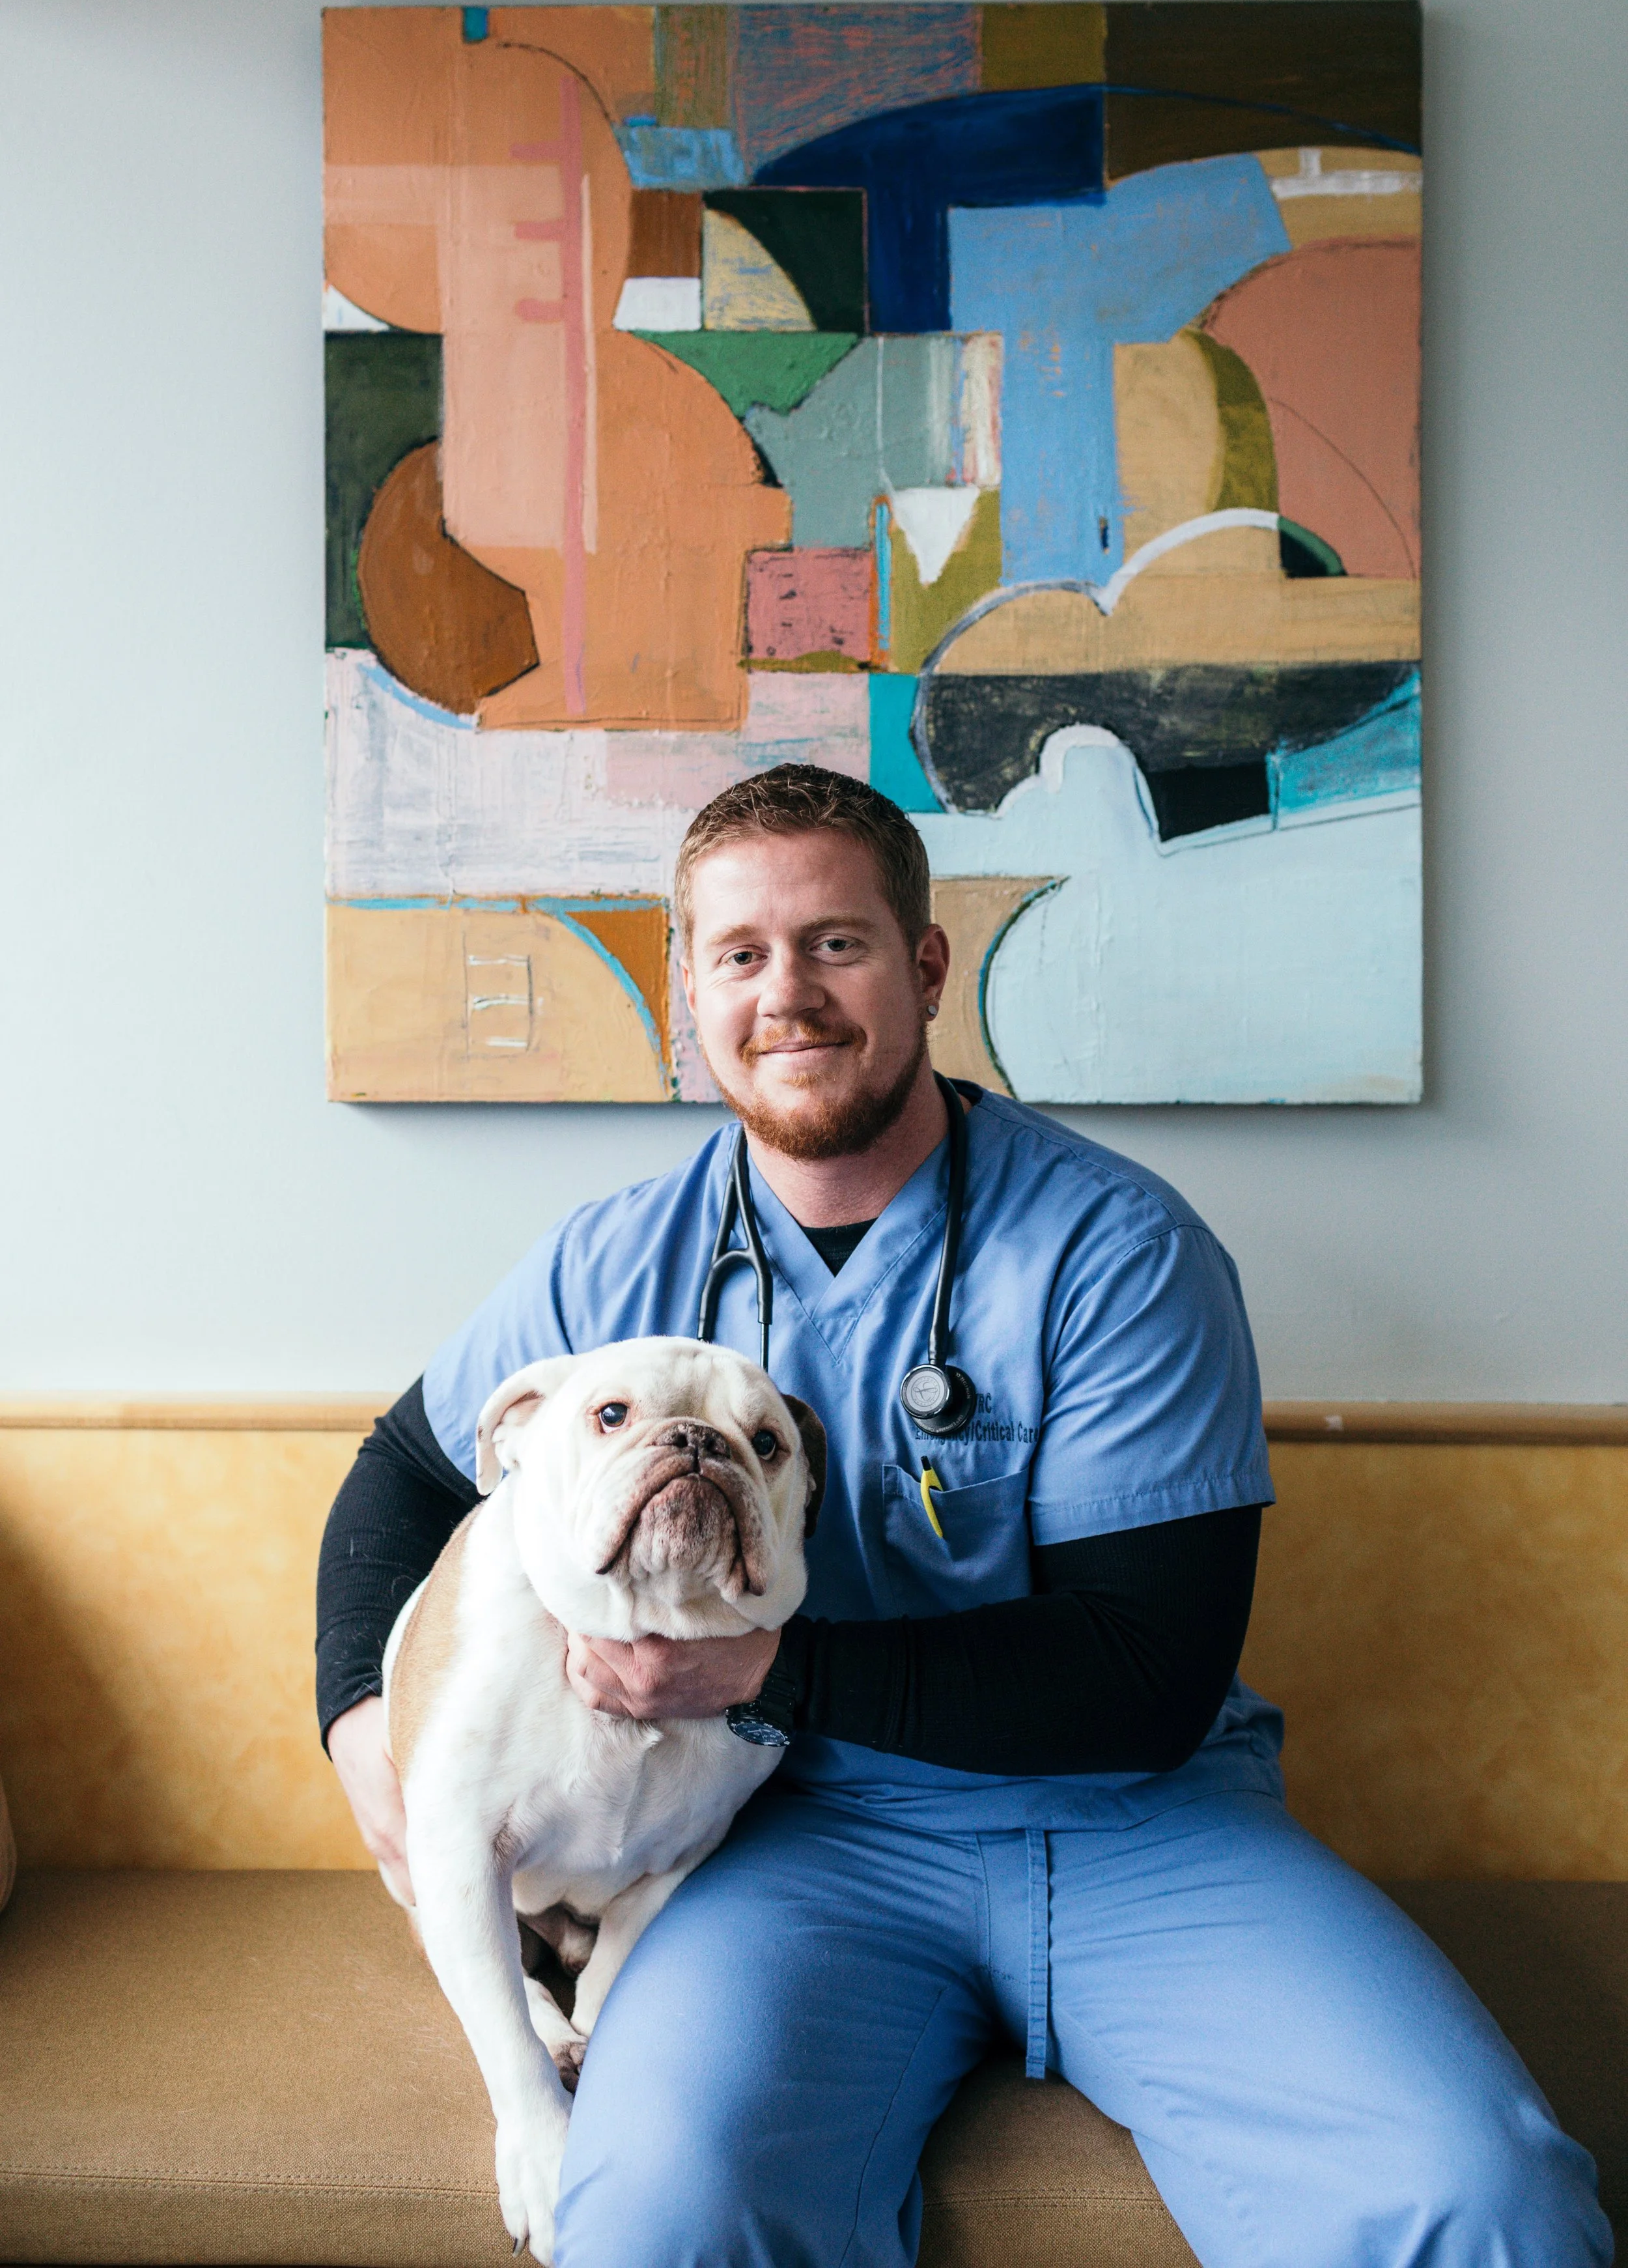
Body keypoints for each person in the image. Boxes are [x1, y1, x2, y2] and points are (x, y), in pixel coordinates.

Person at [317, 763, 1608, 2268]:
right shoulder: (608, 1267)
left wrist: (763, 1675)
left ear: (925, 967)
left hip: (1139, 1821)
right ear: (688, 985)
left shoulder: (1113, 1248)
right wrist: (358, 1717)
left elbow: (1145, 1677)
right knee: (657, 2214)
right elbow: (405, 1471)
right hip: (789, 1845)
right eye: (738, 954)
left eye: (836, 944)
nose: (785, 994)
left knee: (1482, 2199)